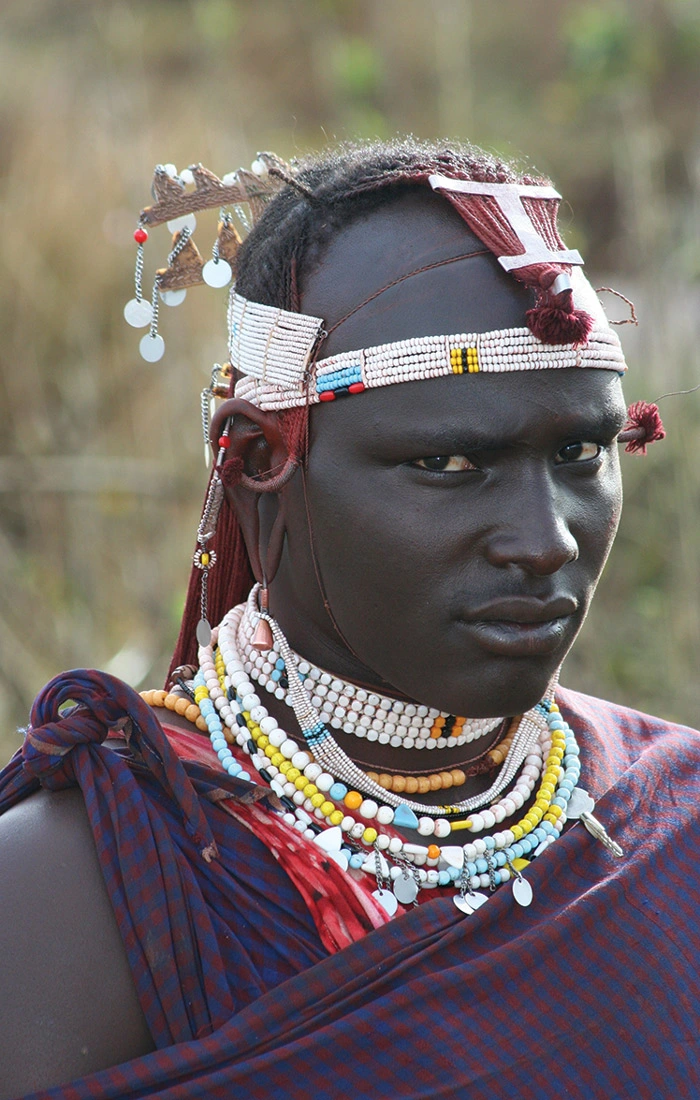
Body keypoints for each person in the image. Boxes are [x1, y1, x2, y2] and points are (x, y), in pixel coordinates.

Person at [0, 138, 696, 1100]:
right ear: (255, 467)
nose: (545, 542)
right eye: (448, 466)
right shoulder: (80, 893)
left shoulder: (671, 820)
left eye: (581, 452)